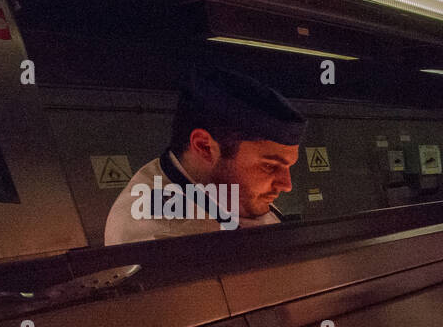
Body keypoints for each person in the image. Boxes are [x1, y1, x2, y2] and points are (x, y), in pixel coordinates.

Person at [104, 67, 304, 244]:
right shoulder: (162, 237)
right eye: (270, 166)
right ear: (204, 147)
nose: (287, 185)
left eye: (288, 167)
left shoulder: (225, 188)